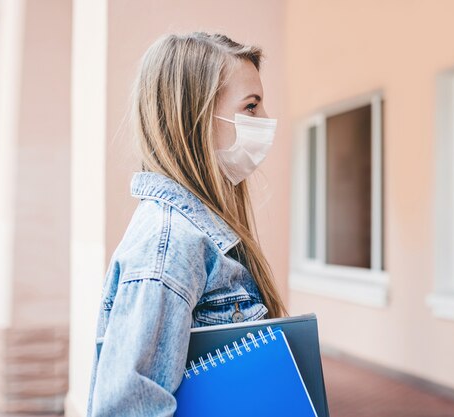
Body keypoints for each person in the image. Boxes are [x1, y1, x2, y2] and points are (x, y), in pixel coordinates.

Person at [85, 31, 289, 417]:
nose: (265, 121)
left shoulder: (199, 232)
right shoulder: (169, 243)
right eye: (251, 107)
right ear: (194, 116)